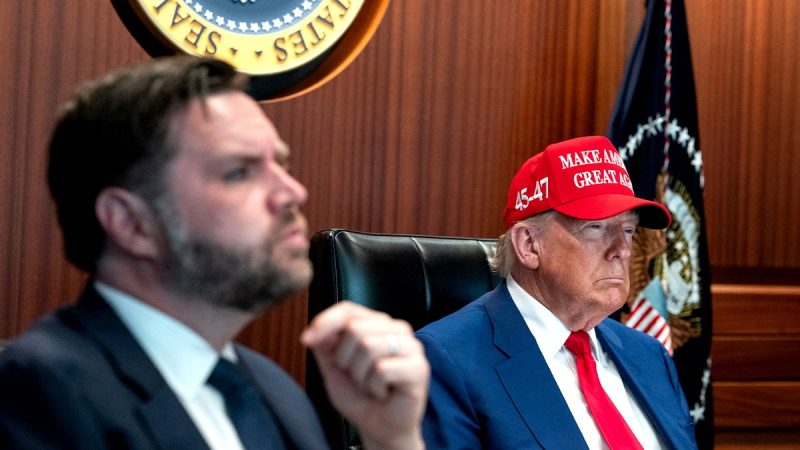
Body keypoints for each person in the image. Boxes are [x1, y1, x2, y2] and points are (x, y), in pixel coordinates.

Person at [0, 56, 428, 450]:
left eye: (281, 164)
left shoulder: (274, 392)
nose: (293, 192)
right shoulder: (40, 392)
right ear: (132, 224)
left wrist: (391, 439)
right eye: (238, 172)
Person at [416, 136, 698, 449]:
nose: (623, 249)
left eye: (628, 230)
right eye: (596, 227)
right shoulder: (446, 362)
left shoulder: (649, 355)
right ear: (528, 245)